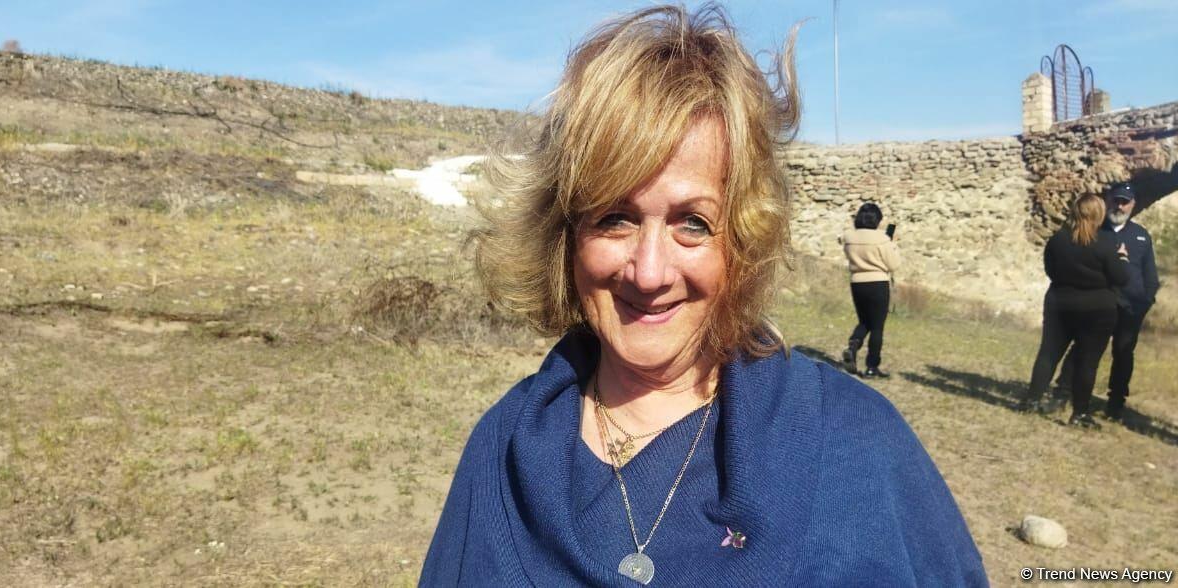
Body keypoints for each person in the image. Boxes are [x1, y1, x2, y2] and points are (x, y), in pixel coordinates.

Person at [420, 5, 985, 586]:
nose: (649, 273)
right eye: (614, 217)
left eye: (693, 223)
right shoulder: (502, 449)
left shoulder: (852, 442)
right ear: (565, 236)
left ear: (743, 241)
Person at [1049, 183, 1160, 421]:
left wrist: (1147, 299)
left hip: (1131, 307)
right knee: (1082, 349)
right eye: (1116, 200)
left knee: (1123, 353)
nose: (1120, 206)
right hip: (1100, 303)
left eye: (1125, 202)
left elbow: (1149, 273)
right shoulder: (1094, 230)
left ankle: (1116, 403)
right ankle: (1062, 393)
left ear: (1133, 204)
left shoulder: (1141, 235)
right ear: (1108, 201)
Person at [1022, 193, 1130, 428]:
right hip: (1097, 309)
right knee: (1087, 362)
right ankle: (1079, 414)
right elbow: (1121, 278)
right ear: (1099, 214)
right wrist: (1122, 258)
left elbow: (1050, 269)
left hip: (1060, 302)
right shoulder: (1105, 245)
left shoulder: (1058, 240)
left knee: (1049, 353)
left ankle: (1032, 401)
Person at [839, 202, 900, 378]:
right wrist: (893, 244)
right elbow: (894, 264)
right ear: (877, 220)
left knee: (864, 321)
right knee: (877, 327)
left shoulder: (849, 237)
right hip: (878, 283)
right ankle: (872, 367)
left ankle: (853, 344)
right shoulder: (882, 239)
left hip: (857, 282)